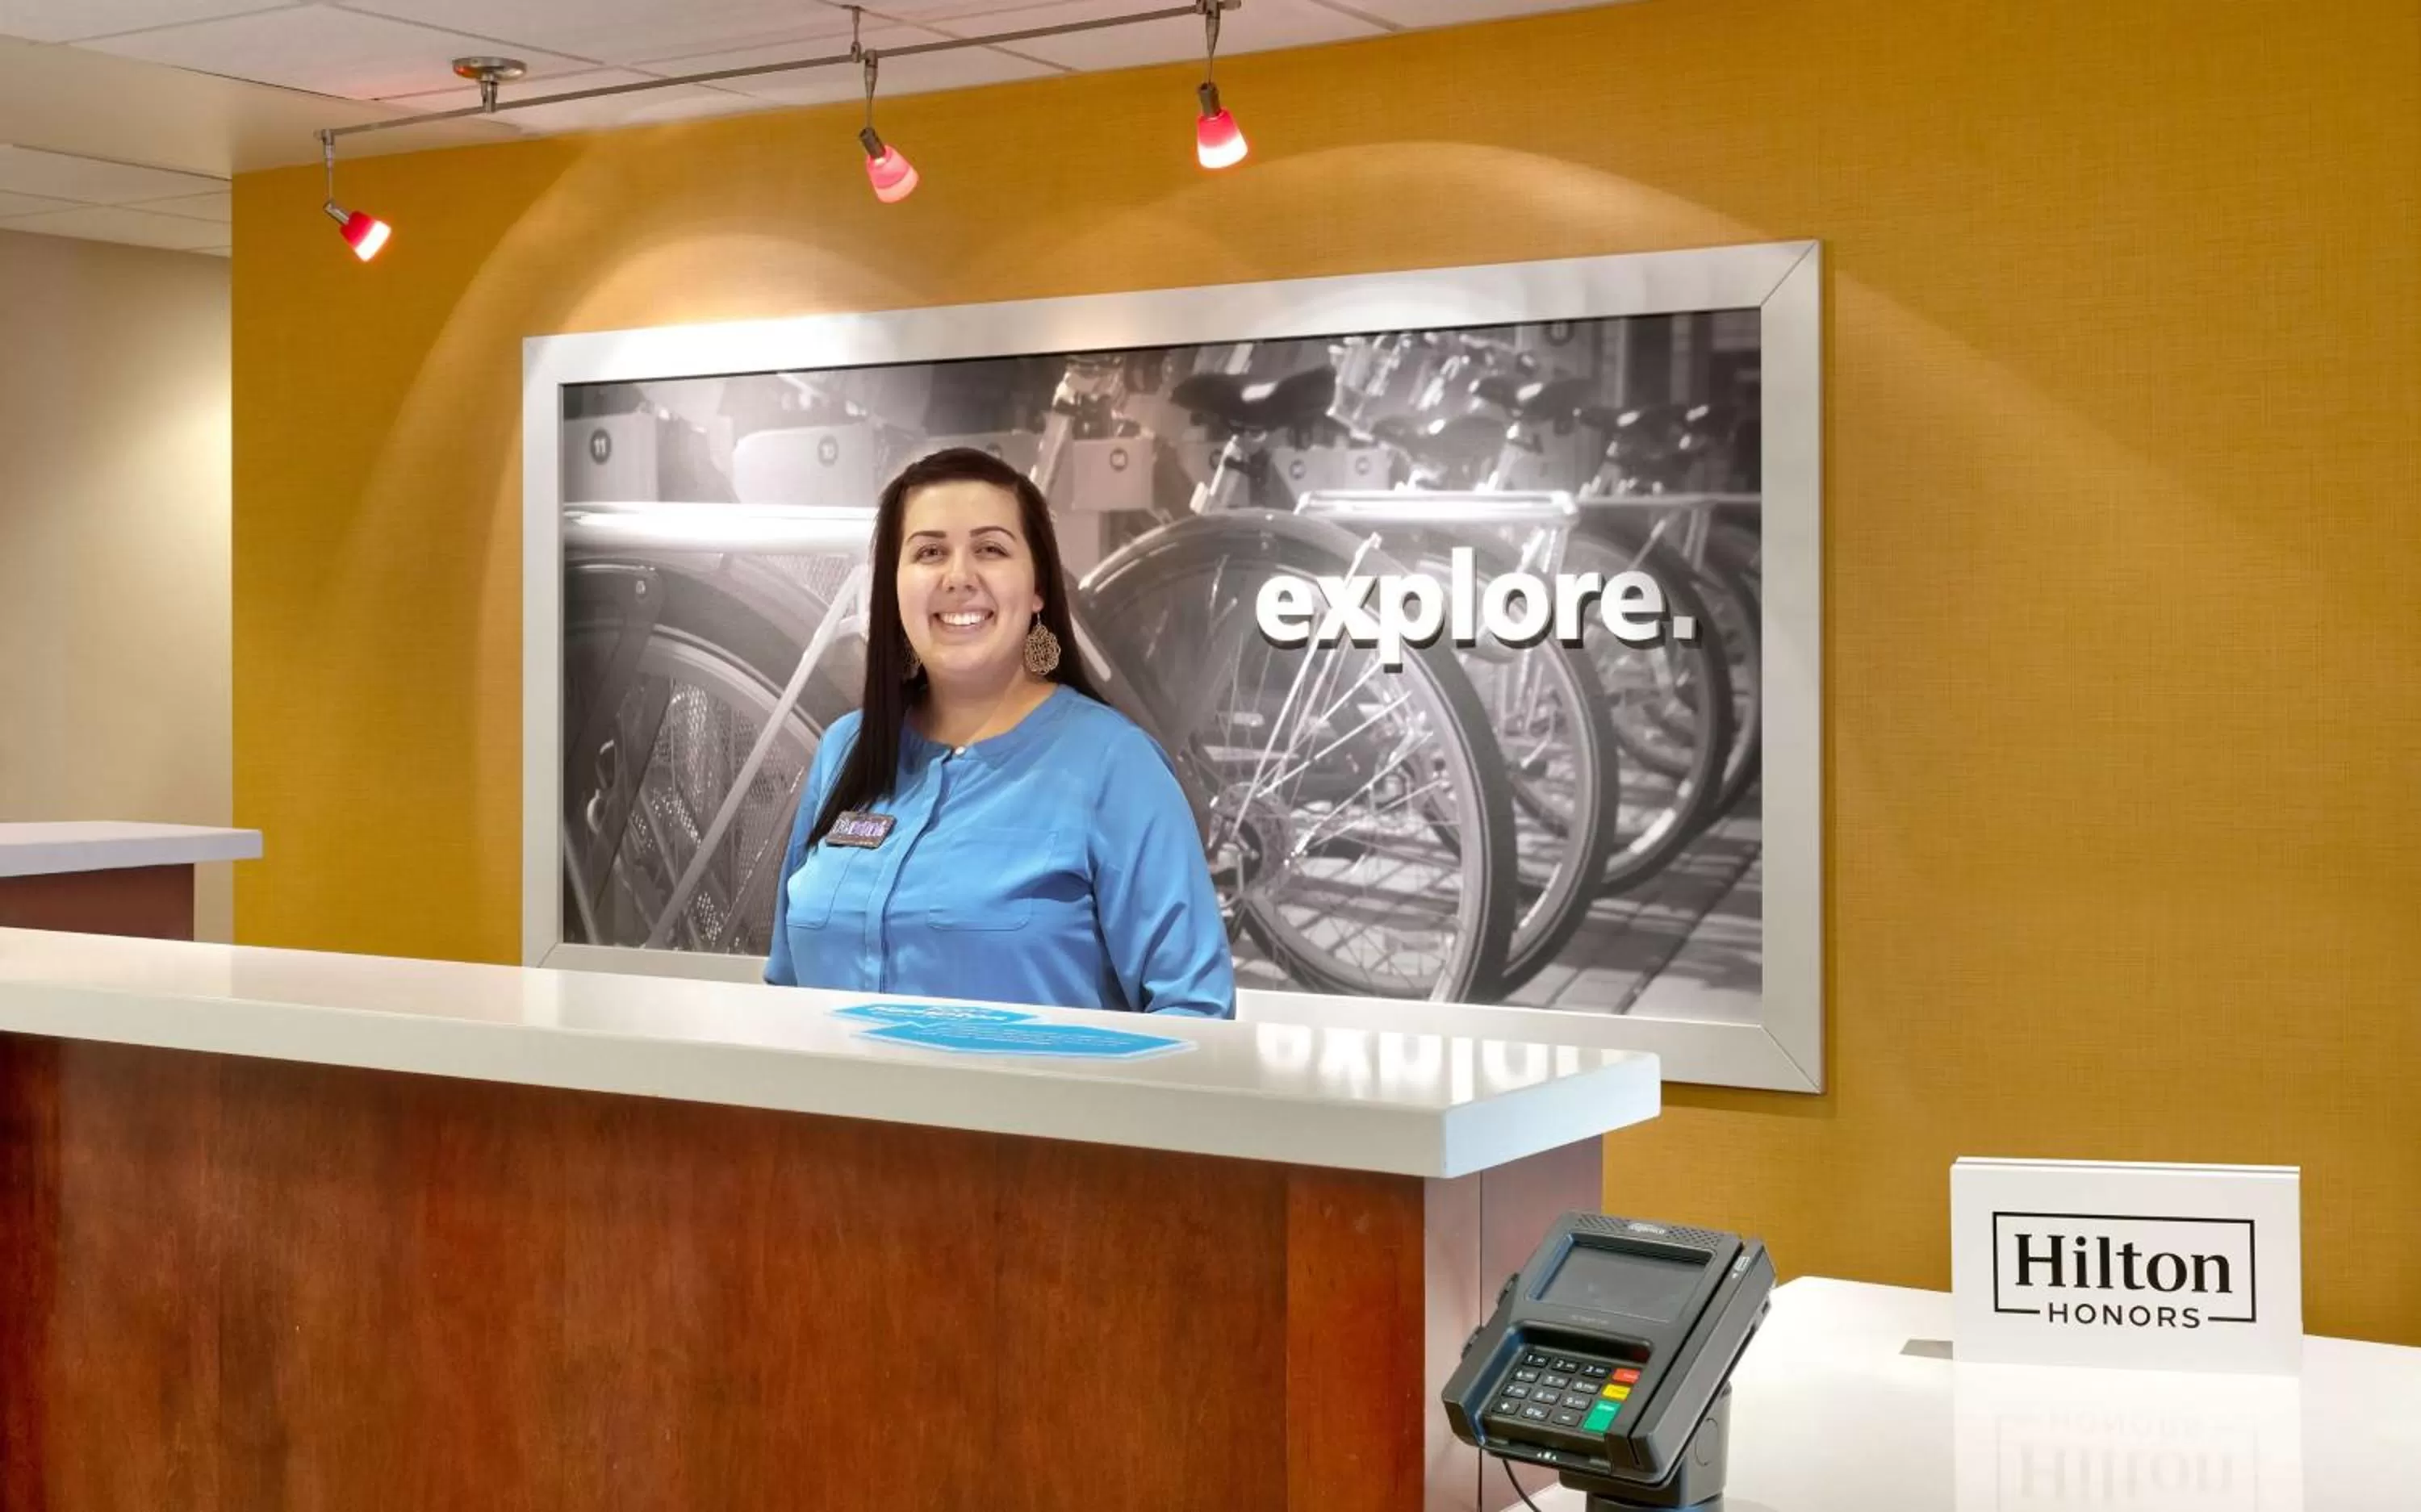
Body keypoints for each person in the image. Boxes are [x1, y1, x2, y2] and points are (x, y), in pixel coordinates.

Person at [763, 445, 1236, 1019]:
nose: (959, 577)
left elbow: (1196, 1018)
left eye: (990, 549)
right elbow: (785, 991)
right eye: (930, 552)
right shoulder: (844, 750)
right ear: (893, 584)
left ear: (1038, 586)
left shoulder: (1117, 767)